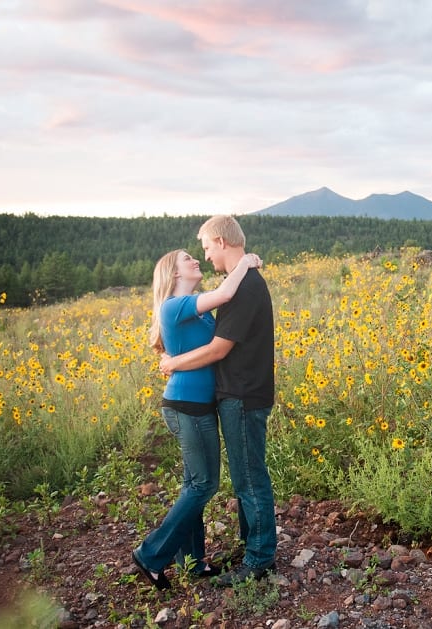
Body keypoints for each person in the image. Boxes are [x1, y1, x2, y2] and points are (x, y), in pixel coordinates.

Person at [132, 247, 261, 591]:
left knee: (194, 485)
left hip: (196, 405)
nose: (196, 261)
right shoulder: (173, 306)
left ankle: (191, 563)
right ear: (174, 274)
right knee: (205, 485)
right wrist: (245, 261)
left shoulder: (199, 312)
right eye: (187, 259)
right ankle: (150, 554)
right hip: (186, 405)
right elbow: (226, 293)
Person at [159, 215, 277, 588]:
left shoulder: (243, 289)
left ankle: (258, 560)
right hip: (237, 394)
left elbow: (218, 348)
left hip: (243, 395)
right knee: (243, 477)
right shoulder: (238, 283)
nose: (205, 256)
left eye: (207, 247)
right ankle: (252, 549)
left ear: (221, 242)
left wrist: (172, 364)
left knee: (249, 479)